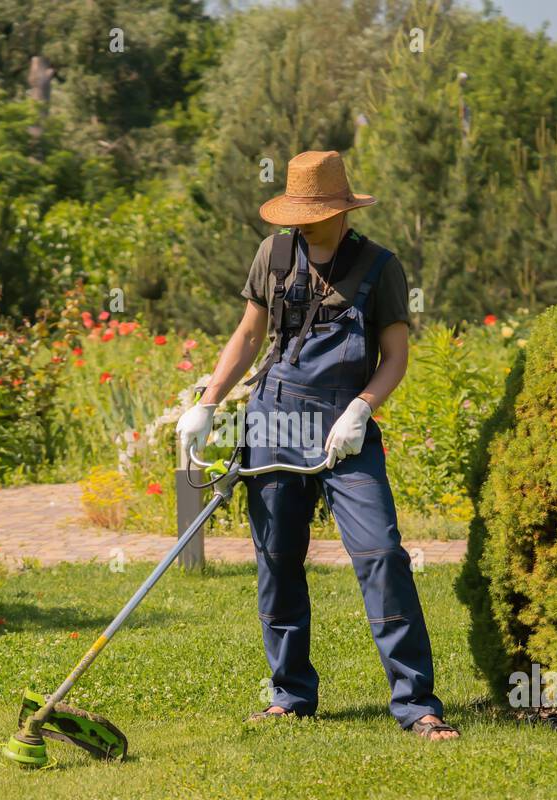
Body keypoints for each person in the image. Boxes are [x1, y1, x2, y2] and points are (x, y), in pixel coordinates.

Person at [177, 150, 458, 740]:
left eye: (310, 212)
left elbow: (396, 355)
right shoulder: (275, 254)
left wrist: (362, 408)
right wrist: (208, 401)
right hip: (274, 416)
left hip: (343, 424)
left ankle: (416, 704)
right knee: (277, 560)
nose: (300, 223)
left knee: (381, 554)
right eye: (295, 212)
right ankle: (291, 694)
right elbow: (249, 333)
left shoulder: (380, 267)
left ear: (339, 210)